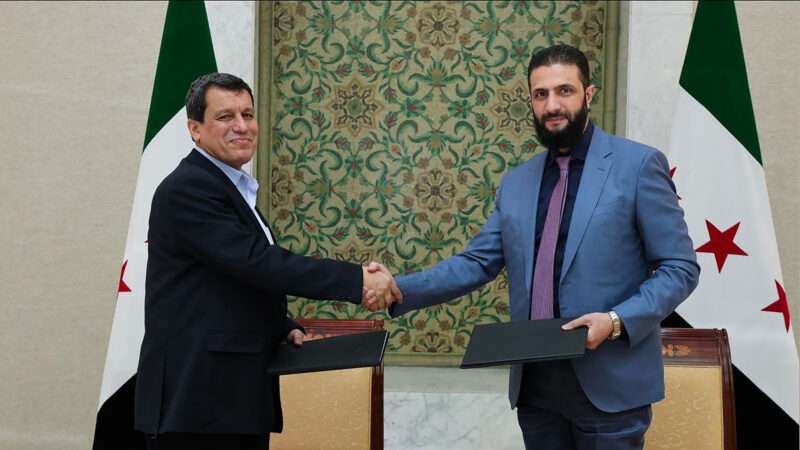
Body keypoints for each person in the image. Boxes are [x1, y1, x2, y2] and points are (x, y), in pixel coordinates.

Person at [369, 45, 700, 449]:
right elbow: (477, 262)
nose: (552, 105)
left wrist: (615, 321)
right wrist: (397, 287)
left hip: (609, 387)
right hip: (537, 388)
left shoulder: (638, 166)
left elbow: (679, 268)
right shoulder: (517, 182)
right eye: (541, 94)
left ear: (589, 94)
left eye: (565, 91)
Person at [134, 72, 400, 450]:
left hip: (230, 400)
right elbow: (259, 263)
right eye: (225, 116)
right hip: (196, 402)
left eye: (248, 114)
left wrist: (280, 326)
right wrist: (357, 281)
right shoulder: (188, 188)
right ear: (195, 129)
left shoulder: (229, 187)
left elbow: (231, 284)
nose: (242, 126)